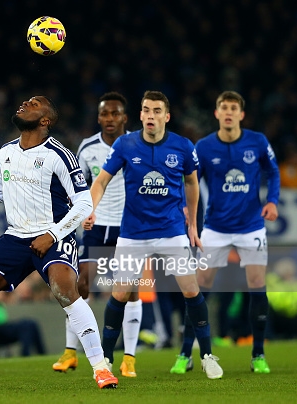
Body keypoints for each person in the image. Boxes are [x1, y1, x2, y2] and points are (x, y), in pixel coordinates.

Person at [0, 95, 118, 390]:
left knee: (65, 291)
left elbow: (83, 203)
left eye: (34, 104)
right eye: (25, 102)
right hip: (16, 236)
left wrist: (53, 234)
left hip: (54, 234)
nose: (24, 104)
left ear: (45, 121)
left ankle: (100, 368)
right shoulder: (6, 151)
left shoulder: (60, 154)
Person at [87, 90, 223, 380]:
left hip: (171, 232)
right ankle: (106, 361)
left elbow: (192, 184)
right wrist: (91, 208)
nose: (151, 115)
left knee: (190, 289)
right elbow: (100, 181)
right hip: (133, 233)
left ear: (166, 116)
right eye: (146, 110)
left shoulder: (183, 147)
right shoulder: (125, 144)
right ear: (140, 115)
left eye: (157, 111)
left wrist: (193, 226)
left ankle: (207, 355)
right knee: (120, 293)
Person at [173, 90, 280, 375]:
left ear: (241, 114)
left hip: (251, 227)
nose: (229, 112)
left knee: (257, 285)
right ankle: (186, 353)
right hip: (216, 228)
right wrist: (185, 208)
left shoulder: (257, 141)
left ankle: (258, 353)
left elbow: (273, 170)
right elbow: (191, 179)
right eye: (224, 107)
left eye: (234, 107)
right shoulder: (205, 147)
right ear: (217, 114)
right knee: (198, 288)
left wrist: (272, 201)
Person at [53, 91, 142, 378]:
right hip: (96, 225)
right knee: (81, 285)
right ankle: (70, 352)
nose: (110, 118)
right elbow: (79, 186)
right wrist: (83, 214)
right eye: (105, 113)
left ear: (125, 118)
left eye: (115, 113)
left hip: (129, 228)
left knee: (130, 290)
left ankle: (129, 358)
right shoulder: (87, 147)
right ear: (99, 117)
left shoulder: (137, 145)